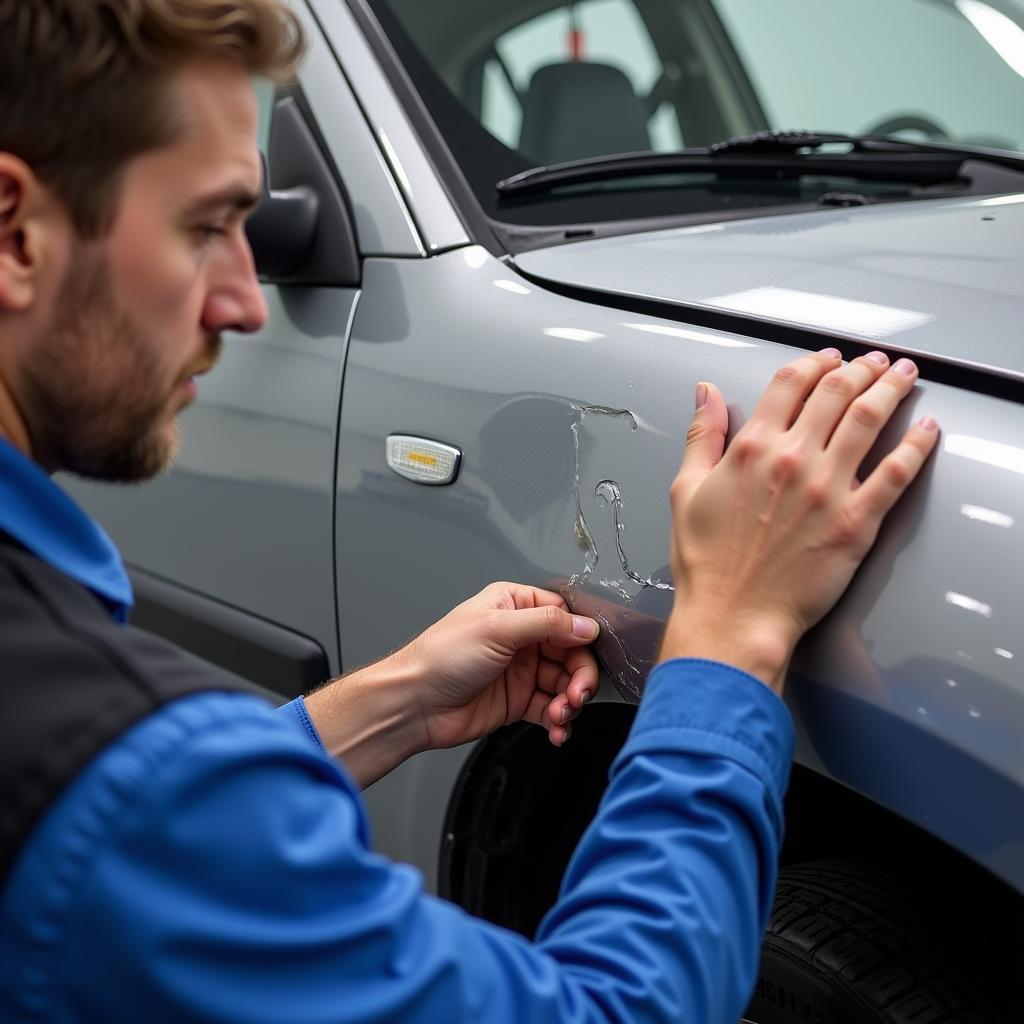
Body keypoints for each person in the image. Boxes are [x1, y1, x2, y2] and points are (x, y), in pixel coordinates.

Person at [0, 2, 939, 1021]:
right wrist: (727, 645)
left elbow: (139, 834)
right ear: (15, 232)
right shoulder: (119, 775)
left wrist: (390, 700)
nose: (244, 299)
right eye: (205, 226)